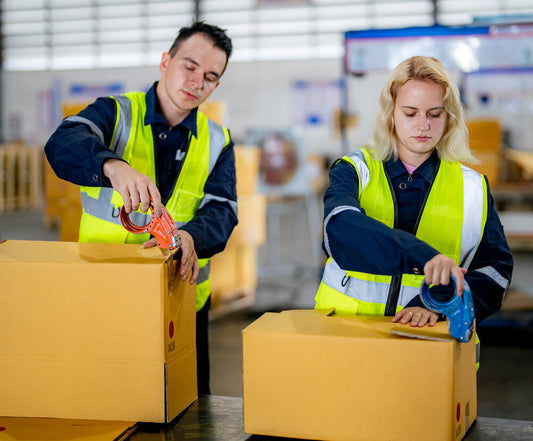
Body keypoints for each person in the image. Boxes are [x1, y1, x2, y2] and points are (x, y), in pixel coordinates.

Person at [44, 21, 238, 395]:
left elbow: (223, 212)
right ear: (165, 61)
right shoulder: (115, 114)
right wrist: (111, 166)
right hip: (109, 293)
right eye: (190, 65)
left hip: (181, 299)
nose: (197, 81)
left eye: (211, 76)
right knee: (108, 401)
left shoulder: (218, 141)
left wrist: (190, 235)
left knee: (186, 406)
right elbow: (62, 143)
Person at [315, 56, 513, 354]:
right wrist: (424, 256)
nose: (423, 125)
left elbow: (495, 273)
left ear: (450, 119)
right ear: (390, 114)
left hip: (430, 349)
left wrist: (438, 302)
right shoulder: (354, 170)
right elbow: (341, 230)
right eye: (410, 113)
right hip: (348, 342)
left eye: (435, 114)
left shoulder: (472, 187)